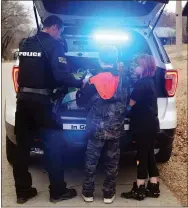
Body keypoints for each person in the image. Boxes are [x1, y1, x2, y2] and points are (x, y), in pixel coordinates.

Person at [13, 15, 84, 204]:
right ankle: (58, 192)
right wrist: (81, 82)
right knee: (53, 147)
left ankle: (23, 191)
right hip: (42, 103)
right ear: (54, 27)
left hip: (23, 101)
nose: (59, 34)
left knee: (22, 148)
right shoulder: (54, 45)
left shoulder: (25, 43)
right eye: (59, 31)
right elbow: (61, 76)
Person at [76, 46, 128, 204]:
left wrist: (83, 87)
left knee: (91, 161)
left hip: (96, 128)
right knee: (112, 161)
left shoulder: (94, 80)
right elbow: (126, 100)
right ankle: (108, 194)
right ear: (115, 60)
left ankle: (88, 193)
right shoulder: (123, 79)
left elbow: (81, 103)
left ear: (100, 60)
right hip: (115, 128)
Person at [121, 54, 160, 201]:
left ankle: (139, 188)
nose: (134, 67)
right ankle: (154, 186)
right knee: (149, 154)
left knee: (141, 156)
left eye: (137, 65)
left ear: (143, 67)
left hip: (142, 125)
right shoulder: (150, 81)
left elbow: (130, 105)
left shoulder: (141, 83)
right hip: (151, 124)